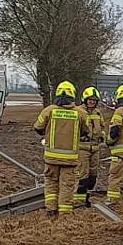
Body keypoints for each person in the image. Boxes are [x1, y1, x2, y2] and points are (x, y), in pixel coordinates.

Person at [33, 81, 86, 215]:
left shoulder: (49, 110)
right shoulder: (80, 113)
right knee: (67, 185)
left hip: (51, 157)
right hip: (70, 159)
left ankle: (51, 210)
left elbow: (38, 127)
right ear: (73, 95)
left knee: (51, 182)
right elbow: (86, 131)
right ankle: (65, 214)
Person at [74, 85, 108, 207]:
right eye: (90, 100)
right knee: (82, 176)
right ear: (85, 100)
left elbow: (102, 127)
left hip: (95, 148)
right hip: (82, 149)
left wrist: (102, 135)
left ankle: (87, 197)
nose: (92, 102)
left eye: (94, 100)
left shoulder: (97, 113)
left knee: (93, 176)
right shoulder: (78, 111)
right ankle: (79, 201)